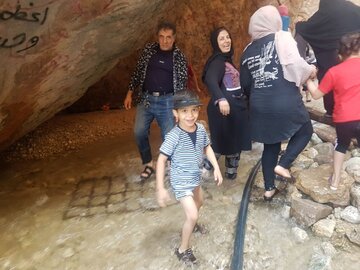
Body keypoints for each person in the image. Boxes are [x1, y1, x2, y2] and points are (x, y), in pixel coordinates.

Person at [240, 5, 317, 201]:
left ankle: (268, 189)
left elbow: (245, 84)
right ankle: (283, 164)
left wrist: (259, 97)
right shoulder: (281, 37)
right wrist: (310, 72)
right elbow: (296, 64)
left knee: (271, 145)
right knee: (305, 129)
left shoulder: (247, 50)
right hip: (283, 98)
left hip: (259, 104)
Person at [156, 90, 223, 265]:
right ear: (175, 113)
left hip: (194, 176)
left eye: (194, 110)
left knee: (199, 202)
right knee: (192, 215)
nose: (190, 115)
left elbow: (207, 147)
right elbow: (161, 160)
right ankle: (182, 249)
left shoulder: (200, 129)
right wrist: (161, 188)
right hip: (180, 180)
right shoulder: (173, 136)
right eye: (184, 111)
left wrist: (216, 168)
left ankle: (191, 226)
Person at [123, 21, 188, 181]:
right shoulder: (149, 51)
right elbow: (138, 72)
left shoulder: (178, 56)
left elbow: (182, 83)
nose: (165, 41)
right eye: (162, 37)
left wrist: (179, 108)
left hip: (168, 101)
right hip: (146, 99)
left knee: (169, 136)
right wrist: (129, 93)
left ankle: (172, 166)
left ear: (174, 38)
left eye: (168, 37)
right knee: (139, 132)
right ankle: (148, 164)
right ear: (157, 37)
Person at [306, 32, 360, 190]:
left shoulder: (334, 72)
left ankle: (335, 181)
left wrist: (307, 79)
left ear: (340, 54)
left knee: (341, 145)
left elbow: (315, 95)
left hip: (344, 120)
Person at [202, 27, 252, 180]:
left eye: (227, 37)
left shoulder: (226, 60)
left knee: (233, 143)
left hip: (234, 111)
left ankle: (229, 181)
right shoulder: (218, 61)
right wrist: (221, 99)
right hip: (224, 112)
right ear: (215, 43)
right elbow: (210, 79)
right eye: (221, 38)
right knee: (220, 144)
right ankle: (202, 174)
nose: (226, 41)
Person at [296, 0, 360, 117]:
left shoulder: (322, 15)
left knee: (329, 84)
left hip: (328, 60)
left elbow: (304, 29)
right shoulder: (354, 10)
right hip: (350, 57)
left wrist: (298, 24)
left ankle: (331, 112)